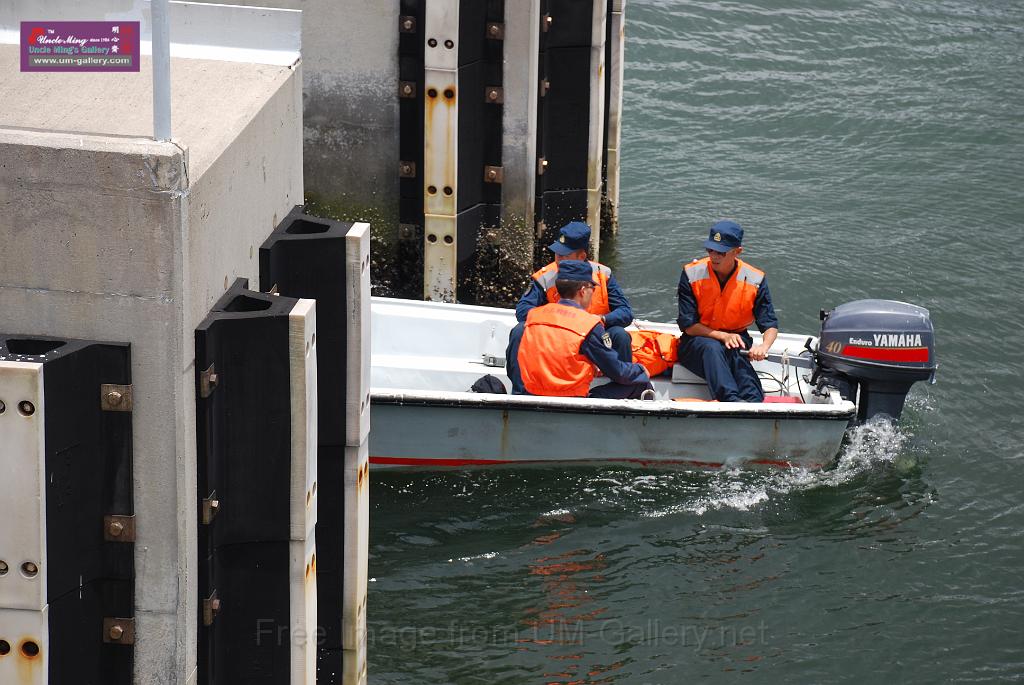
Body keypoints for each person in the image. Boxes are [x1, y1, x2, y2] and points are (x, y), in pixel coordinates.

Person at [506, 221, 634, 393]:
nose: (558, 259)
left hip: (594, 336)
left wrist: (601, 319)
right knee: (519, 331)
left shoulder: (603, 274)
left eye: (564, 255)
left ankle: (620, 391)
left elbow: (625, 313)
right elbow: (523, 311)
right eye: (557, 253)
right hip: (556, 338)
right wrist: (555, 320)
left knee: (620, 335)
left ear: (581, 256)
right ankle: (521, 393)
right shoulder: (545, 277)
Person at [516, 260, 652, 399]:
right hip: (572, 400)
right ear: (582, 291)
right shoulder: (588, 325)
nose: (593, 292)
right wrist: (639, 370)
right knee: (640, 384)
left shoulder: (533, 317)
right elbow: (617, 371)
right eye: (592, 289)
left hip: (531, 395)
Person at [676, 220, 779, 402]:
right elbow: (689, 325)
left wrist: (763, 347)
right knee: (713, 347)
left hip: (736, 341)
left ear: (737, 251)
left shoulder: (755, 279)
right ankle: (730, 402)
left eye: (721, 252)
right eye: (710, 250)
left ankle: (753, 404)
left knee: (752, 391)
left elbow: (769, 324)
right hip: (696, 342)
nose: (714, 256)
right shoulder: (691, 274)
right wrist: (723, 336)